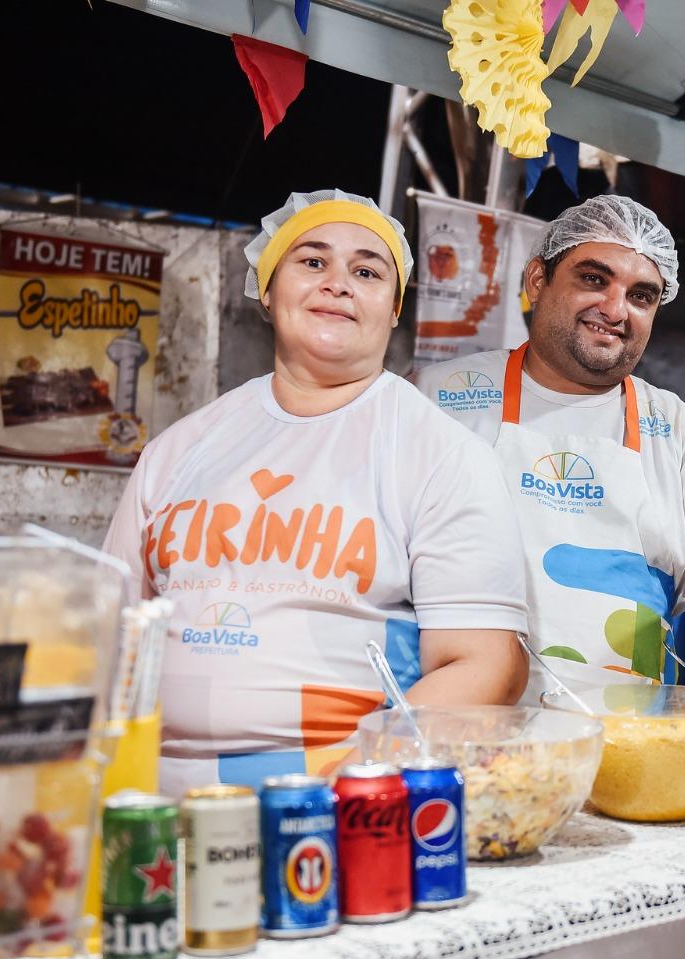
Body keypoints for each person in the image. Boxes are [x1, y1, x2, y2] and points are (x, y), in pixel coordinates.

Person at [104, 190, 528, 795]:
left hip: (332, 800)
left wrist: (352, 780)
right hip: (150, 794)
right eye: (311, 262)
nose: (338, 284)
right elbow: (111, 634)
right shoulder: (178, 451)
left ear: (394, 308)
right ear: (267, 290)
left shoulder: (439, 454)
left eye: (366, 271)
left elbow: (486, 666)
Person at [413, 195, 685, 687]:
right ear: (537, 279)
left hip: (627, 741)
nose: (615, 309)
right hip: (468, 729)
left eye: (642, 296)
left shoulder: (676, 428)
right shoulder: (436, 399)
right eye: (593, 279)